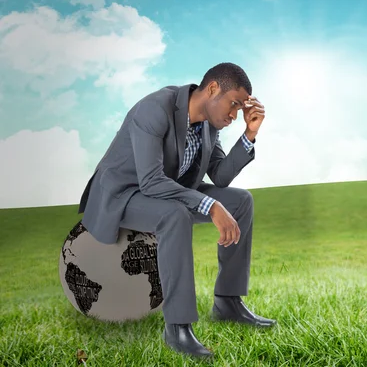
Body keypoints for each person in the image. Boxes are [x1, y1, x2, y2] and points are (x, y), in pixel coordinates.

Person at [77, 62, 275, 359]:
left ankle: (228, 303)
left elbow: (219, 175)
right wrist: (209, 204)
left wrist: (249, 133)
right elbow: (151, 181)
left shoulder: (209, 125)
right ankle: (178, 327)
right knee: (175, 215)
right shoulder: (155, 109)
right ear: (212, 89)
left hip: (170, 191)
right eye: (234, 105)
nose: (234, 115)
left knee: (240, 201)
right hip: (126, 194)